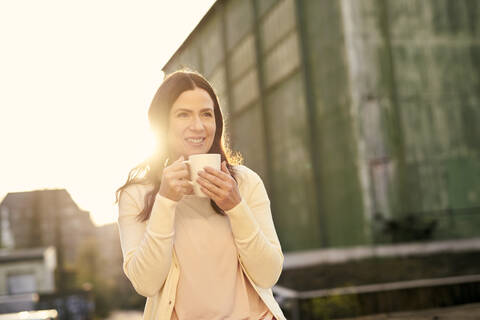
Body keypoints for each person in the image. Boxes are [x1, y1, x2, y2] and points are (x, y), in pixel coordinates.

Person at [115, 70, 286, 320]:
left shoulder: (245, 183)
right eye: (183, 114)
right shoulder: (136, 196)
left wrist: (235, 206)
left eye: (207, 114)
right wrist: (165, 201)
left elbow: (268, 274)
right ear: (162, 123)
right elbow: (146, 283)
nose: (198, 126)